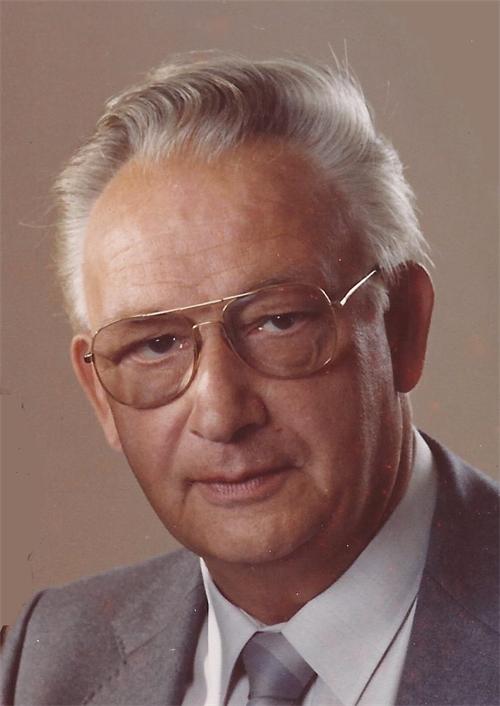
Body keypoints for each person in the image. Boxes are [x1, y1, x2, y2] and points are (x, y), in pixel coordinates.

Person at [1, 54, 498, 706]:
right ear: (100, 395)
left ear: (403, 326)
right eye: (156, 345)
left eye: (278, 322)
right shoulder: (45, 660)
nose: (221, 415)